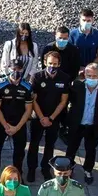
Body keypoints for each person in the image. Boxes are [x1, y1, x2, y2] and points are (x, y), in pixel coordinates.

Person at [27, 51, 71, 180]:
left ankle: (46, 168)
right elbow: (33, 100)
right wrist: (42, 117)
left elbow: (63, 101)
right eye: (50, 63)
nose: (52, 66)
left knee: (50, 145)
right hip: (38, 117)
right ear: (45, 63)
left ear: (59, 64)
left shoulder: (64, 78)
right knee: (34, 144)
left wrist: (51, 118)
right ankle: (31, 169)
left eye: (55, 64)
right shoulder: (36, 77)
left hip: (54, 118)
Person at [64, 63, 98, 184]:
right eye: (89, 75)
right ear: (84, 75)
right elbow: (69, 103)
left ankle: (88, 170)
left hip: (93, 126)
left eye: (94, 76)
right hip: (77, 124)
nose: (92, 78)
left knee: (91, 150)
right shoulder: (77, 87)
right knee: (71, 148)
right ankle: (68, 169)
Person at [0, 57, 34, 182]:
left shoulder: (27, 87)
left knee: (19, 153)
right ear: (8, 69)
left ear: (23, 69)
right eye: (13, 68)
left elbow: (28, 110)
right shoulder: (0, 85)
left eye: (19, 69)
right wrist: (5, 125)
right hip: (2, 123)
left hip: (19, 124)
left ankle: (18, 176)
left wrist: (17, 127)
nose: (16, 71)